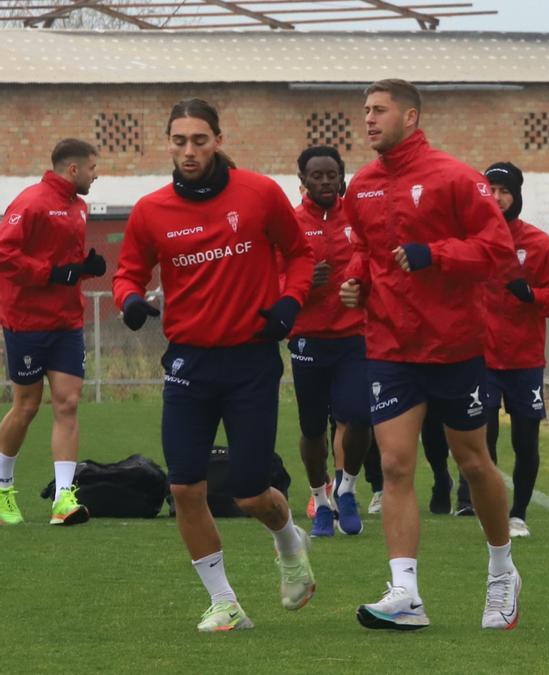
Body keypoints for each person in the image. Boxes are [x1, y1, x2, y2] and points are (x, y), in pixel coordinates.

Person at [113, 98, 317, 632]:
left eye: (199, 140)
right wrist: (130, 301)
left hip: (251, 361)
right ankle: (224, 602)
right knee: (185, 487)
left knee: (250, 492)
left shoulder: (259, 194)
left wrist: (291, 302)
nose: (188, 151)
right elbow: (128, 272)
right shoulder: (151, 210)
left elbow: (300, 254)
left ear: (218, 140)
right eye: (178, 141)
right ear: (169, 144)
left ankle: (289, 546)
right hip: (187, 364)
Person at [340, 78, 521, 631]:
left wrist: (433, 254)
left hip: (454, 347)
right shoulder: (362, 186)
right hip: (391, 346)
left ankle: (501, 570)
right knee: (395, 464)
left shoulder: (456, 179)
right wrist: (355, 283)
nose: (368, 119)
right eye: (365, 110)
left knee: (473, 463)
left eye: (380, 110)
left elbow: (498, 250)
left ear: (411, 117)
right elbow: (364, 254)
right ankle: (406, 595)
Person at [432, 162, 549, 537]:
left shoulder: (538, 244)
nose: (497, 198)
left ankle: (519, 514)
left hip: (525, 360)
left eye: (505, 191)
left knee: (526, 440)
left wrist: (533, 295)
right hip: (479, 359)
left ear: (517, 195)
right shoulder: (467, 243)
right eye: (491, 190)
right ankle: (489, 511)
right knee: (483, 439)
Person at [0, 138, 105, 526]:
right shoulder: (30, 202)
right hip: (26, 321)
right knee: (26, 406)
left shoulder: (79, 207)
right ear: (73, 169)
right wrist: (52, 274)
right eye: (93, 168)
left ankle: (63, 499)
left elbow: (63, 262)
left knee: (68, 403)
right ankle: (3, 489)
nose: (97, 175)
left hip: (67, 322)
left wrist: (84, 268)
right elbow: (5, 254)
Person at [286, 145, 370, 538]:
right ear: (302, 180)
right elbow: (272, 276)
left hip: (354, 335)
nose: (324, 182)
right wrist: (300, 283)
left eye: (331, 175)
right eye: (316, 176)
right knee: (312, 427)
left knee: (358, 416)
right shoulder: (289, 222)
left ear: (341, 177)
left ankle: (348, 488)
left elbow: (375, 261)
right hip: (308, 338)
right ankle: (320, 500)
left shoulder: (358, 217)